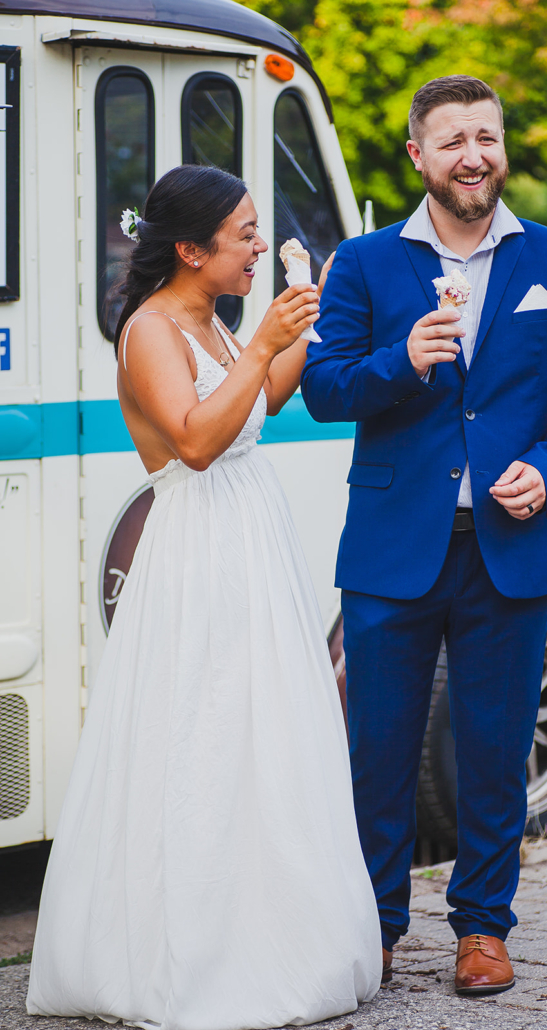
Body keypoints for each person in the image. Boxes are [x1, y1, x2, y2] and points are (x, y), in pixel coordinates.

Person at [26, 164, 381, 1030]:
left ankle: (277, 934)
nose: (259, 245)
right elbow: (191, 442)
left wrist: (306, 312)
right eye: (245, 235)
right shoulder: (150, 329)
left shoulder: (215, 322)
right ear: (190, 249)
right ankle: (191, 955)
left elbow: (261, 399)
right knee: (205, 732)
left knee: (269, 733)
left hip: (251, 538)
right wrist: (261, 340)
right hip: (195, 550)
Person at [301, 75, 547, 995]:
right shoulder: (363, 262)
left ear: (500, 146)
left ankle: (482, 930)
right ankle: (375, 928)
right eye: (452, 141)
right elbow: (326, 390)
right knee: (378, 750)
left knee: (492, 751)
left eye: (486, 136)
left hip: (510, 546)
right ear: (418, 156)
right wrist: (399, 362)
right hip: (390, 550)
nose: (473, 155)